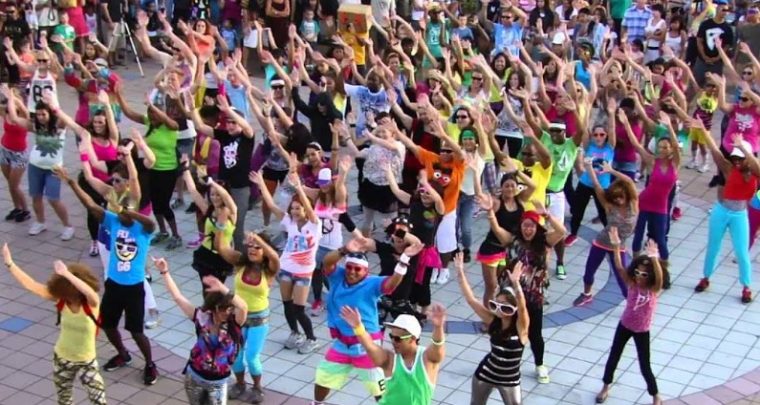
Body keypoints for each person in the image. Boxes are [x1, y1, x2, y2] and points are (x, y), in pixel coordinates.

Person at [58, 166, 159, 385]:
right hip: (113, 284)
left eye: (126, 208)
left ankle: (150, 364)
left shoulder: (143, 228)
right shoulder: (112, 221)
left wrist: (129, 212)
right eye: (118, 209)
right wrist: (72, 182)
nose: (120, 212)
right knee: (108, 325)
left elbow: (150, 223)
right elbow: (90, 205)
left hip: (134, 288)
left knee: (136, 331)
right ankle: (123, 353)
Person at [312, 235, 423, 404]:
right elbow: (326, 262)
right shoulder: (338, 277)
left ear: (366, 271)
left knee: (379, 390)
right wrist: (344, 250)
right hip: (342, 343)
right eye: (349, 267)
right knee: (322, 378)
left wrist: (404, 259)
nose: (352, 271)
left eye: (358, 269)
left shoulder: (372, 284)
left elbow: (393, 283)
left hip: (367, 345)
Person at [3, 245, 106, 405]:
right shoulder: (61, 301)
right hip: (62, 357)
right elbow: (32, 285)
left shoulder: (91, 304)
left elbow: (89, 292)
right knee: (64, 399)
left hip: (87, 360)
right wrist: (10, 263)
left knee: (98, 400)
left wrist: (66, 274)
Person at [153, 257, 247, 405]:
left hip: (219, 381)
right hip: (195, 376)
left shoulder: (234, 323)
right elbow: (178, 297)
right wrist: (164, 271)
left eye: (230, 309)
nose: (227, 313)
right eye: (222, 309)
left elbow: (243, 307)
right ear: (213, 307)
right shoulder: (202, 318)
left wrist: (223, 288)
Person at [250, 169, 322, 353]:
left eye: (299, 208)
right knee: (287, 305)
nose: (295, 211)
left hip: (304, 272)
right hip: (286, 269)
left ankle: (311, 338)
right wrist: (261, 184)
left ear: (306, 209)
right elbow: (272, 205)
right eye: (293, 208)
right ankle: (294, 333)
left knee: (299, 308)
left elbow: (309, 208)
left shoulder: (314, 225)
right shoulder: (288, 221)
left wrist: (298, 186)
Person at [596, 231, 664, 405]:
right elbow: (619, 266)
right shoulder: (632, 283)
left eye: (644, 274)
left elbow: (659, 278)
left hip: (642, 330)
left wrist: (654, 258)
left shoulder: (653, 289)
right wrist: (617, 245)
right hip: (625, 325)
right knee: (614, 356)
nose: (640, 277)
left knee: (644, 365)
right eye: (637, 273)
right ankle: (605, 387)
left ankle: (655, 395)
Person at [694, 124, 760, 303]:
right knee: (713, 246)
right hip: (721, 211)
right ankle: (706, 277)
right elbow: (715, 151)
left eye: (740, 158)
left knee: (741, 252)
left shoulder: (755, 172)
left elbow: (756, 166)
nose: (736, 161)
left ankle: (746, 287)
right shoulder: (729, 169)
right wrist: (703, 130)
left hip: (739, 215)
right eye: (734, 157)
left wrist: (742, 149)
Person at [456, 252, 529, 405]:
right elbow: (470, 299)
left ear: (513, 310)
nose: (499, 311)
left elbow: (522, 309)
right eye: (496, 305)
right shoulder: (493, 320)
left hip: (510, 379)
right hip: (486, 372)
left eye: (506, 308)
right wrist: (460, 271)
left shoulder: (520, 328)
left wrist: (516, 285)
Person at [216, 229, 280, 403]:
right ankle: (240, 383)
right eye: (250, 246)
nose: (252, 250)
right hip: (238, 317)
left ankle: (257, 387)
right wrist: (222, 225)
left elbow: (274, 257)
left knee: (252, 357)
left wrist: (259, 239)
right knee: (236, 354)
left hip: (259, 319)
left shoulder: (269, 270)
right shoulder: (240, 262)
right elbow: (221, 247)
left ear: (264, 250)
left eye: (257, 247)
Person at [1, 86, 74, 239]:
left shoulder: (58, 127)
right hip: (35, 166)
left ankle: (67, 226)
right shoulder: (35, 126)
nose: (40, 117)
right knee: (36, 196)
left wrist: (53, 102)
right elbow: (14, 118)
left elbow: (62, 118)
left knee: (54, 199)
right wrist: (10, 99)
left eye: (43, 114)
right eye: (38, 114)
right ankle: (40, 222)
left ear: (50, 114)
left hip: (54, 169)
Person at [339, 305, 447, 405]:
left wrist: (438, 327)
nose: (393, 341)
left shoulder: (427, 359)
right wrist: (358, 327)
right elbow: (370, 346)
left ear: (412, 338)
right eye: (391, 336)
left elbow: (437, 346)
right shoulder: (390, 360)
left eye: (397, 339)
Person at [573, 161, 639, 306]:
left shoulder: (633, 204)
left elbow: (628, 181)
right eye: (615, 197)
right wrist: (589, 168)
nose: (618, 200)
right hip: (602, 242)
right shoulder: (610, 206)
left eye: (621, 197)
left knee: (622, 277)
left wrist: (611, 171)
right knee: (589, 271)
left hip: (619, 246)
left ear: (626, 195)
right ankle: (587, 294)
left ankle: (631, 304)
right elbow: (597, 186)